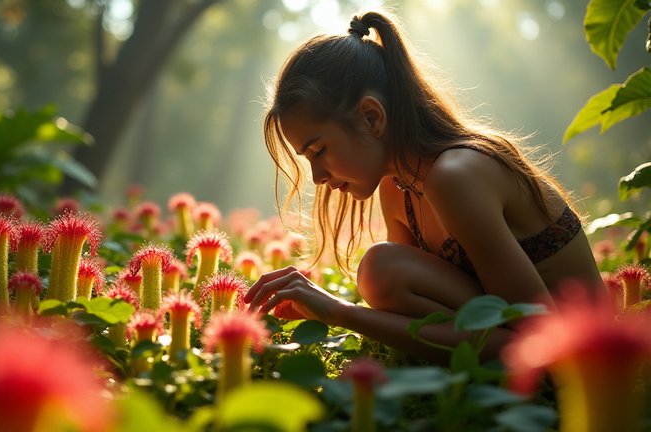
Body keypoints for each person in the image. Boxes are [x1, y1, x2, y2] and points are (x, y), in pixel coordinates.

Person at [244, 10, 603, 363]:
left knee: (380, 268)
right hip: (527, 347)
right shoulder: (397, 189)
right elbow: (408, 316)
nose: (318, 177)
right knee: (382, 273)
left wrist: (340, 313)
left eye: (319, 150)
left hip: (589, 355)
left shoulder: (456, 176)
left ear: (371, 117)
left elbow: (540, 342)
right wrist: (322, 310)